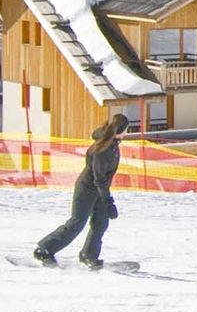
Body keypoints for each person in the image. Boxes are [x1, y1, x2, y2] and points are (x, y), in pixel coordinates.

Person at [34, 112, 129, 269]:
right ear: (121, 130)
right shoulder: (103, 149)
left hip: (99, 189)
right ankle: (44, 249)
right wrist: (108, 202)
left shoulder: (111, 143)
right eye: (126, 129)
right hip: (87, 189)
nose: (127, 133)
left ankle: (88, 255)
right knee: (77, 223)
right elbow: (99, 178)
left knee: (100, 223)